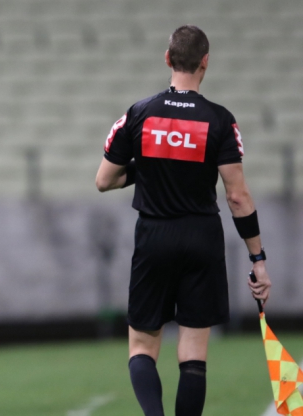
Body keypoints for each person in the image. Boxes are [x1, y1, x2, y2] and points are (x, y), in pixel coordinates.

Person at [95, 25, 272, 416]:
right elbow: (237, 196)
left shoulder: (138, 113)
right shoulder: (220, 120)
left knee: (142, 347)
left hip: (154, 235)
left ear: (167, 58)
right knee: (193, 352)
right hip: (202, 238)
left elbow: (103, 180)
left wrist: (146, 168)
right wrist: (257, 259)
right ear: (205, 62)